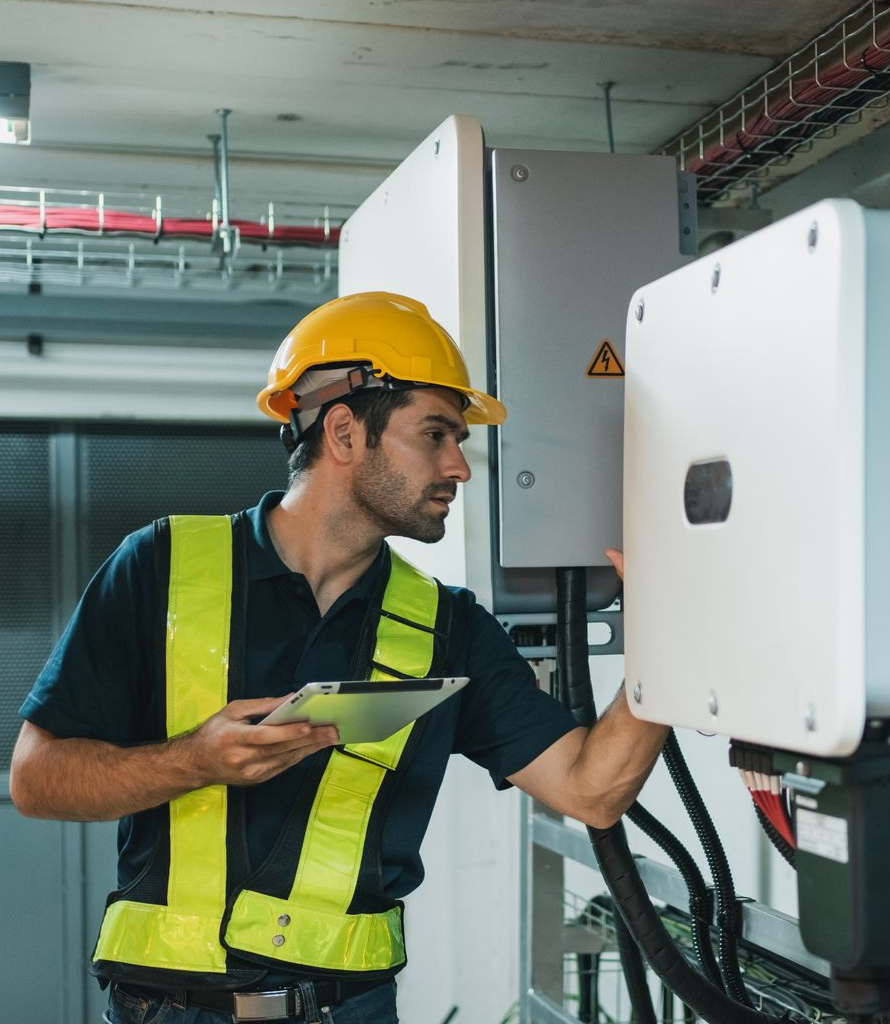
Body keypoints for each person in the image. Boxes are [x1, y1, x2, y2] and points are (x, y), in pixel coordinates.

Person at [10, 291, 668, 1024]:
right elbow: (37, 781)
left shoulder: (450, 627)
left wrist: (675, 639)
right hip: (166, 1010)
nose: (460, 467)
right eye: (436, 435)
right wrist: (195, 761)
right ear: (346, 431)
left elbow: (591, 789)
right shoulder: (160, 566)